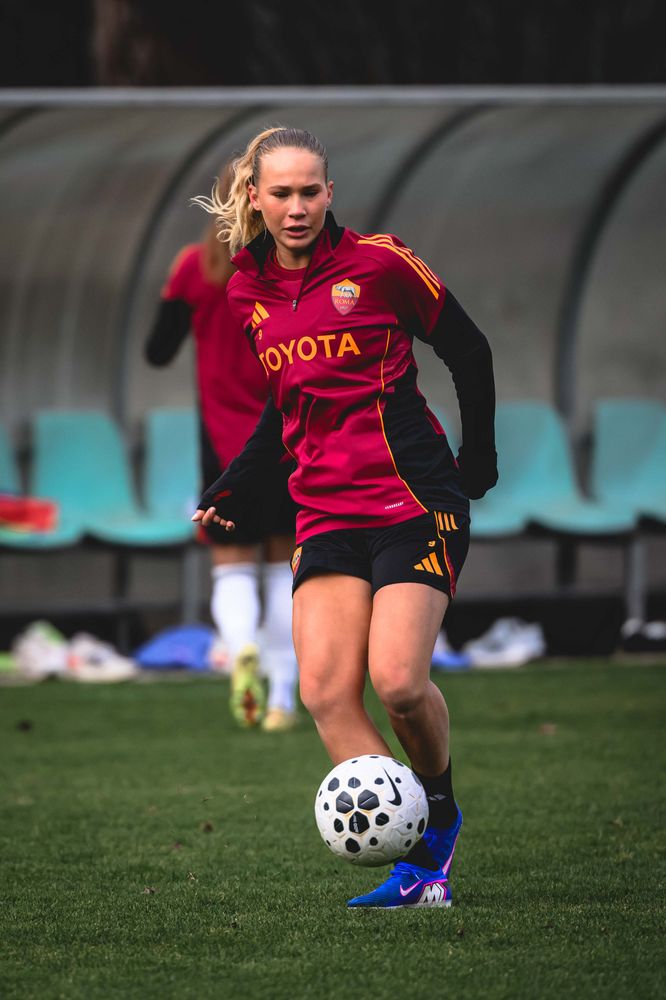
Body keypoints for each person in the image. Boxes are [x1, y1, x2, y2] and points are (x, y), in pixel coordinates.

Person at [191, 127, 498, 908]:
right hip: (323, 513)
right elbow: (283, 412)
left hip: (414, 501)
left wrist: (479, 460)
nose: (296, 208)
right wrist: (232, 491)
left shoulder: (381, 263)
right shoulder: (244, 292)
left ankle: (441, 822)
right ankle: (421, 857)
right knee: (328, 693)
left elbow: (470, 350)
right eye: (281, 193)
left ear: (330, 194)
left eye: (310, 191)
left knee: (396, 682)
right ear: (254, 199)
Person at [144, 177, 299, 732]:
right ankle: (283, 697)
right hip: (286, 437)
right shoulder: (289, 268)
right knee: (286, 568)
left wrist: (174, 291)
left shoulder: (196, 267)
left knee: (231, 566)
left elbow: (157, 353)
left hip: (223, 447)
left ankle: (240, 650)